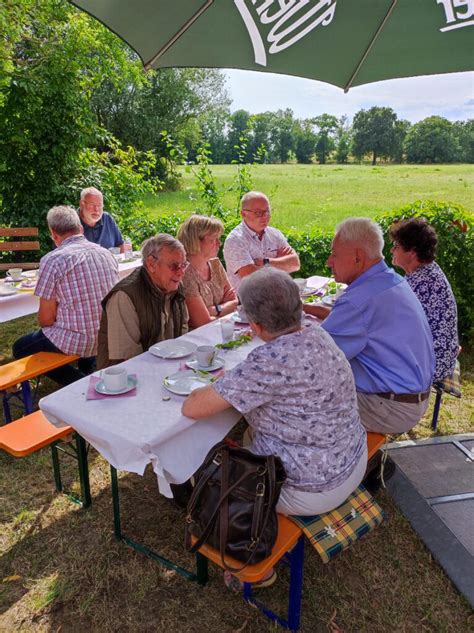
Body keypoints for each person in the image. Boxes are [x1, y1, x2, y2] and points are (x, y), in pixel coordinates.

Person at [183, 268, 367, 517]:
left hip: (312, 488)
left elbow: (193, 407)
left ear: (256, 326)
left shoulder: (269, 360)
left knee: (213, 452)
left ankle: (186, 492)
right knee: (249, 432)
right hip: (353, 458)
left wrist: (220, 383)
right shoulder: (317, 332)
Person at [304, 217, 435, 435]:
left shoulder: (361, 299)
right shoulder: (390, 280)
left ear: (358, 258)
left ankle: (279, 463)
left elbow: (315, 357)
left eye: (335, 254)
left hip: (390, 407)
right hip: (409, 396)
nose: (329, 261)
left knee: (292, 407)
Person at [13, 205, 118, 385]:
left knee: (20, 347)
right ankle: (87, 370)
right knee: (85, 327)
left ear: (54, 234)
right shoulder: (106, 254)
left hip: (79, 341)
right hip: (107, 334)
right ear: (81, 228)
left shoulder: (52, 260)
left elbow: (46, 319)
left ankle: (80, 383)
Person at [97, 233, 189, 368]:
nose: (181, 272)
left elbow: (183, 330)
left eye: (184, 265)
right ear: (151, 264)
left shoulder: (174, 285)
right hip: (124, 380)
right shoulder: (124, 296)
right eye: (174, 266)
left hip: (166, 366)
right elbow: (128, 360)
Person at [389, 217, 459, 383]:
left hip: (429, 365)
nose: (392, 251)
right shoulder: (428, 270)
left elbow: (391, 323)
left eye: (396, 246)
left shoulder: (419, 282)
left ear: (412, 252)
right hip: (442, 357)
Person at [223, 191, 300, 291]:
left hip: (277, 295)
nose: (264, 216)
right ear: (243, 214)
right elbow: (251, 278)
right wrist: (280, 262)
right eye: (258, 212)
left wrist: (265, 262)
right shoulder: (235, 240)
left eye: (267, 211)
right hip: (248, 302)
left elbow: (295, 264)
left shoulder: (275, 234)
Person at [177, 215, 238, 328]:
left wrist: (213, 310)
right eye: (213, 239)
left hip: (220, 329)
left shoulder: (215, 264)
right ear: (195, 241)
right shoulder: (185, 273)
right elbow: (202, 322)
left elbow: (234, 302)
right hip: (197, 337)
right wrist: (225, 309)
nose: (219, 243)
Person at [79, 187, 124, 251]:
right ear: (82, 204)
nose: (96, 210)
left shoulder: (107, 219)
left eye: (99, 205)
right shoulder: (71, 222)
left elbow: (120, 245)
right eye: (92, 205)